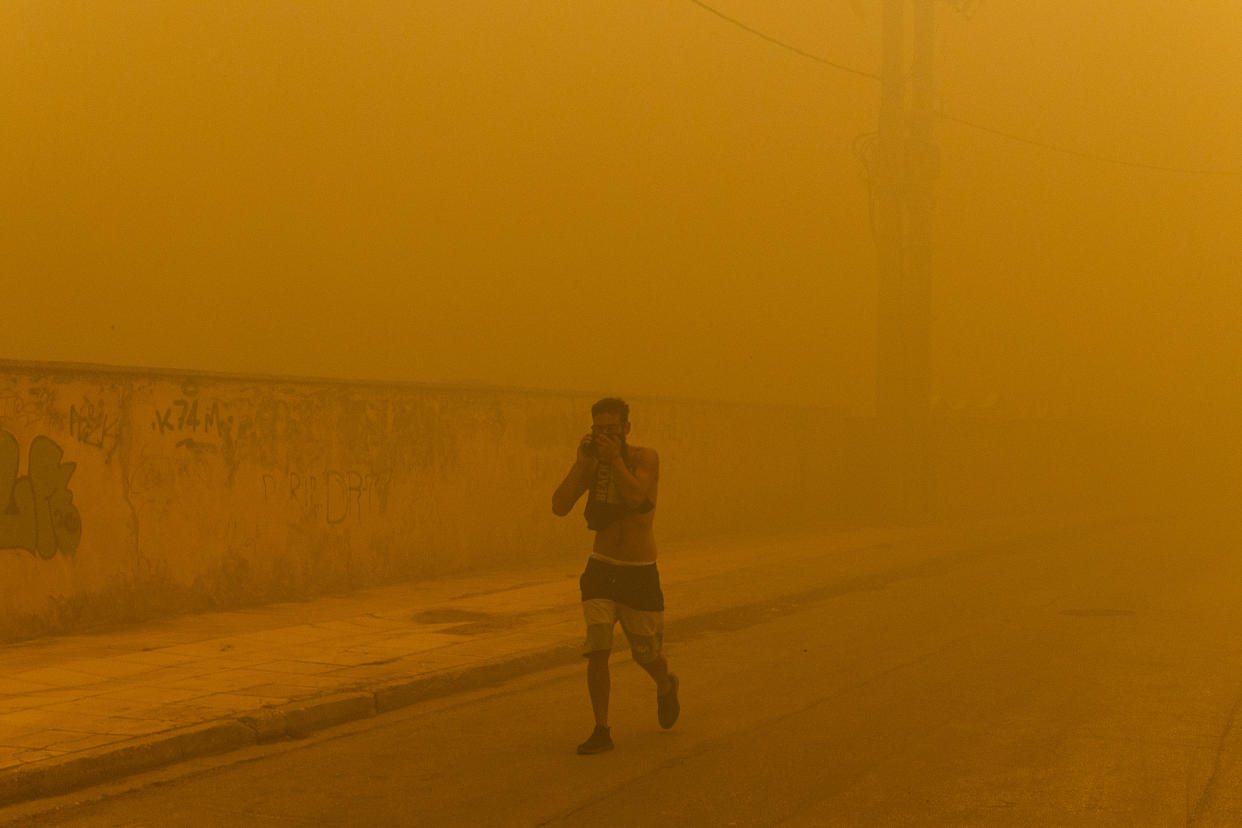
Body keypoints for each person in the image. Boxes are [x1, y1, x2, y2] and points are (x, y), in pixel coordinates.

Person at [552, 397, 679, 754]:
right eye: (599, 430)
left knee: (645, 653)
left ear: (626, 428)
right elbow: (559, 506)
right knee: (598, 649)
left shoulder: (644, 458)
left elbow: (638, 498)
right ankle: (601, 728)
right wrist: (581, 466)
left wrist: (614, 460)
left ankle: (666, 684)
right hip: (602, 568)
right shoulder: (593, 464)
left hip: (639, 572)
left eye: (612, 429)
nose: (606, 436)